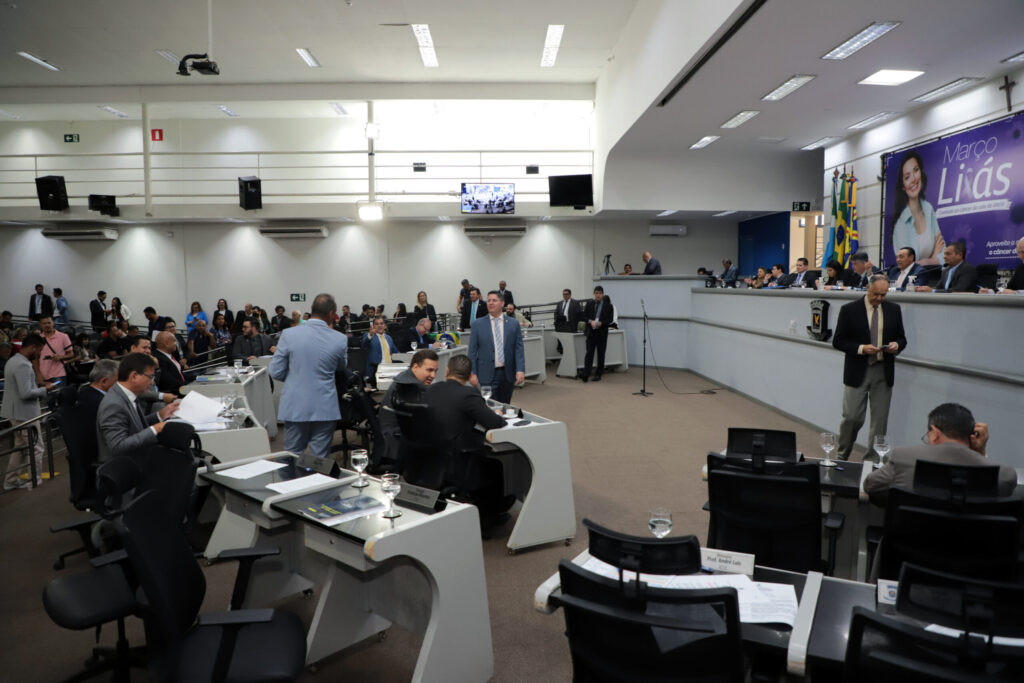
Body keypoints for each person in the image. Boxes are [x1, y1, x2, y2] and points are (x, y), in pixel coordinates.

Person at [863, 403, 1016, 504]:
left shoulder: (904, 457)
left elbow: (871, 485)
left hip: (911, 542)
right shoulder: (1004, 474)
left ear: (935, 432)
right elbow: (1005, 487)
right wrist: (980, 453)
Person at [424, 354, 510, 526]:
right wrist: (496, 413)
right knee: (494, 464)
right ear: (470, 375)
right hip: (456, 461)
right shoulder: (468, 394)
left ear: (447, 371)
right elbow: (495, 423)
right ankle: (490, 517)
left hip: (429, 457)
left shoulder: (431, 389)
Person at [833, 274, 907, 461]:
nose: (879, 298)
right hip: (858, 369)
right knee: (852, 417)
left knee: (879, 421)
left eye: (884, 294)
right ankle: (842, 454)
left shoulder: (894, 310)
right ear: (867, 288)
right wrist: (861, 348)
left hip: (883, 370)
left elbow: (902, 338)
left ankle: (872, 462)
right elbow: (838, 341)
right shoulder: (849, 310)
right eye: (876, 294)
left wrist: (896, 345)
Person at [269, 293, 348, 458]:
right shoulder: (340, 339)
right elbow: (341, 367)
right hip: (325, 406)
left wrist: (295, 377)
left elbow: (275, 371)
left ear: (311, 309)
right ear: (332, 314)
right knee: (319, 459)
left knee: (291, 456)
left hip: (295, 404)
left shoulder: (288, 334)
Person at [96, 352, 180, 463]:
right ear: (134, 376)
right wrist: (156, 429)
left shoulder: (126, 394)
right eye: (150, 377)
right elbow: (118, 447)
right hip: (126, 466)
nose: (152, 383)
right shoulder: (113, 404)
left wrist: (160, 415)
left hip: (138, 457)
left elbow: (136, 426)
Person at [1, 334, 53, 490]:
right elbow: (26, 393)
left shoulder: (12, 360)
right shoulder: (23, 365)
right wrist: (45, 389)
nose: (40, 354)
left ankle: (10, 480)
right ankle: (34, 480)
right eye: (40, 350)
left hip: (14, 412)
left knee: (20, 448)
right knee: (36, 448)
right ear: (33, 347)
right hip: (25, 414)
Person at [378, 348, 440, 470]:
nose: (433, 375)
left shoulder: (404, 376)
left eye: (435, 371)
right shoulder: (411, 386)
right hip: (397, 440)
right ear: (415, 367)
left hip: (391, 436)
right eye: (429, 370)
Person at [468, 291, 525, 403]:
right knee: (489, 406)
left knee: (505, 405)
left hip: (507, 374)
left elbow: (518, 349)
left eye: (494, 300)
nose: (490, 303)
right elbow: (472, 352)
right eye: (488, 300)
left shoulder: (513, 324)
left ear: (502, 303)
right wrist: (472, 373)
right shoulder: (477, 325)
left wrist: (520, 370)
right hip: (486, 374)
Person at [890, 150, 944, 266]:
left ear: (921, 173)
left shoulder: (928, 209)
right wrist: (931, 259)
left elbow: (943, 254)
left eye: (916, 170)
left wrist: (926, 261)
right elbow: (905, 265)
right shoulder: (901, 225)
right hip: (913, 277)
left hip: (934, 275)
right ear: (903, 186)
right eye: (907, 177)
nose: (913, 179)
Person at [579, 285, 614, 382]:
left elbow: (610, 320)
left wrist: (602, 323)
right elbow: (584, 316)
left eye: (600, 293)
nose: (598, 295)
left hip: (602, 333)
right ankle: (586, 373)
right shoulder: (589, 304)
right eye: (596, 293)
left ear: (603, 294)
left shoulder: (608, 306)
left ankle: (598, 373)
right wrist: (590, 321)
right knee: (589, 353)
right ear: (594, 294)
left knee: (601, 353)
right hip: (591, 332)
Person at [361, 315, 397, 386]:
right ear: (373, 326)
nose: (379, 326)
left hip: (389, 368)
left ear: (385, 326)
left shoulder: (389, 338)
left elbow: (395, 351)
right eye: (377, 324)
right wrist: (370, 335)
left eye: (381, 323)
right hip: (377, 369)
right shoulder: (369, 336)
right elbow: (364, 344)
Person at [37, 315, 74, 382]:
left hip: (59, 374)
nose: (47, 325)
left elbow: (71, 354)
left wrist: (60, 357)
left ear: (53, 323)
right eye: (44, 323)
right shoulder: (38, 338)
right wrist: (38, 374)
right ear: (40, 325)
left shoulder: (63, 336)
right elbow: (35, 359)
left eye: (49, 323)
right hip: (43, 375)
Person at [154, 331, 188, 397]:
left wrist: (197, 378)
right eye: (174, 341)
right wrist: (189, 385)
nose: (176, 344)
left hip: (182, 388)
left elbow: (179, 374)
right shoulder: (158, 358)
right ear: (166, 343)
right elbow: (169, 381)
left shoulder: (169, 355)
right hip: (174, 394)